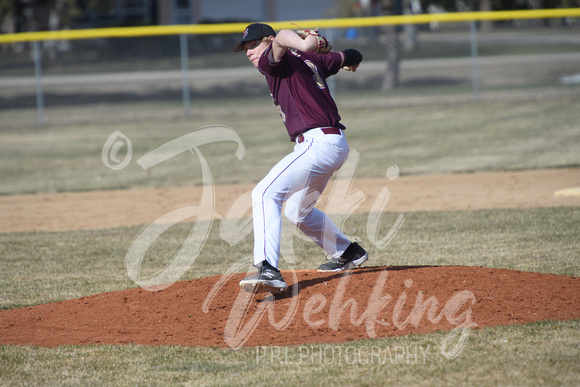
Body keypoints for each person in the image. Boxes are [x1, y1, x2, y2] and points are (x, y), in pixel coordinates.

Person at [234, 23, 367, 294]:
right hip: (333, 144)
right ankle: (348, 252)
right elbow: (353, 55)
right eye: (246, 47)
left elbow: (282, 36)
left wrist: (306, 42)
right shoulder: (312, 59)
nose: (249, 52)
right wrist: (321, 46)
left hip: (317, 144)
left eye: (253, 44)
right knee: (298, 211)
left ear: (269, 42)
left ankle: (267, 268)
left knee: (264, 194)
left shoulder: (273, 62)